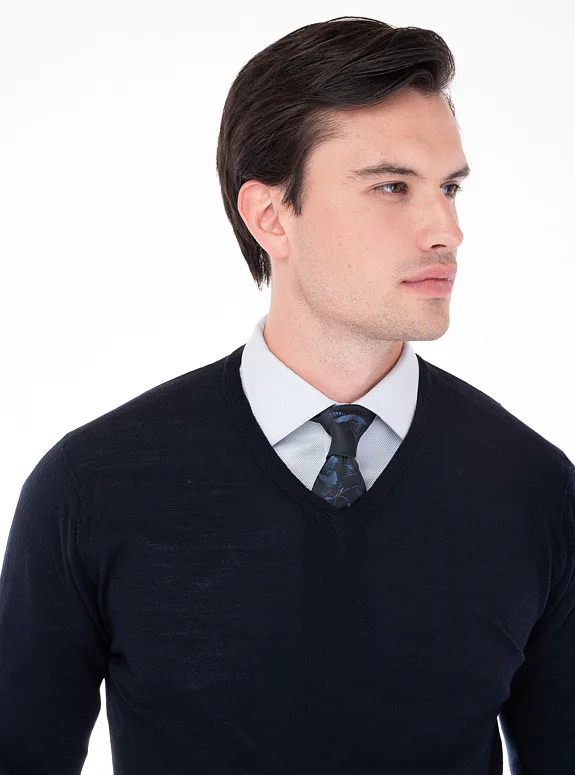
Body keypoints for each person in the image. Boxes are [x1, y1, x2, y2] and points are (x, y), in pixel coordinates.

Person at [1, 15, 573, 775]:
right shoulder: (91, 487)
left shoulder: (536, 491)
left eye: (448, 188)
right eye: (391, 186)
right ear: (270, 217)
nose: (447, 229)